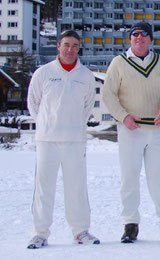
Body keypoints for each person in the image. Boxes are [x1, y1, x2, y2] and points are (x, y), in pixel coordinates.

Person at [102, 22, 160, 244]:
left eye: (144, 34)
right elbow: (108, 94)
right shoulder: (119, 63)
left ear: (150, 39)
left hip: (156, 130)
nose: (139, 38)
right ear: (131, 38)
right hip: (131, 129)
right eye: (135, 34)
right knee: (129, 177)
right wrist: (123, 116)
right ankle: (130, 224)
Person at [26, 30, 99, 249]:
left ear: (79, 48)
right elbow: (33, 104)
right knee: (43, 188)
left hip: (75, 141)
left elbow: (87, 107)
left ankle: (80, 231)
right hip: (47, 140)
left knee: (77, 187)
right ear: (58, 46)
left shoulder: (85, 75)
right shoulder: (44, 72)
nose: (70, 49)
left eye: (75, 45)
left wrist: (74, 125)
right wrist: (48, 124)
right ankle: (40, 233)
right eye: (66, 44)